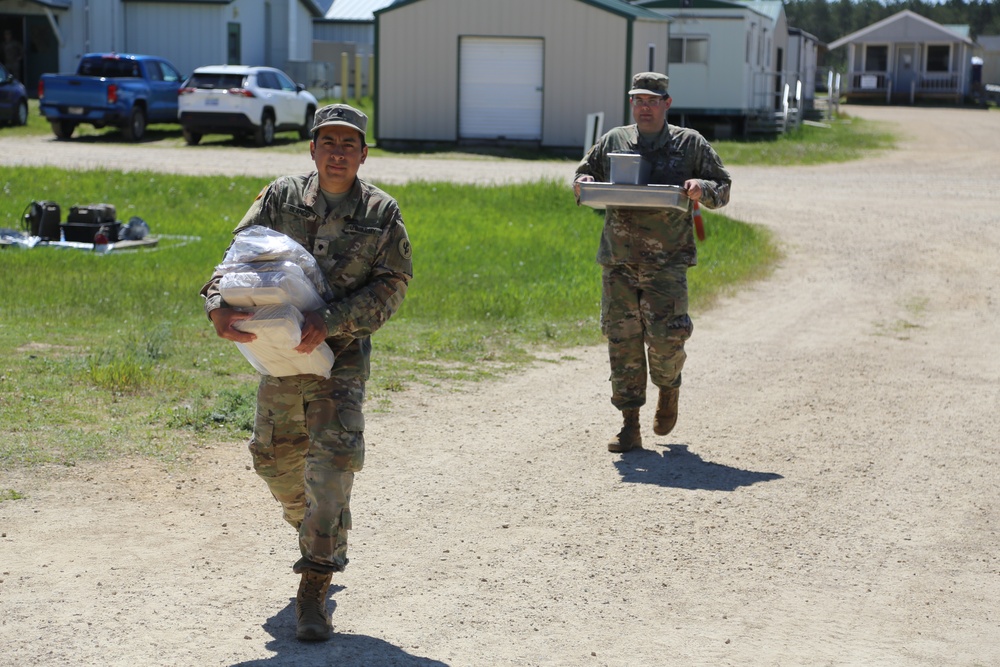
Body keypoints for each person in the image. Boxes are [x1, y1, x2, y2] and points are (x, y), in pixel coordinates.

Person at [200, 104, 413, 641]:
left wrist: (332, 319)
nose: (338, 152)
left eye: (349, 144)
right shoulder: (280, 197)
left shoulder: (381, 212)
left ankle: (314, 583)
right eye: (328, 142)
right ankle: (319, 528)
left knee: (332, 465)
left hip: (338, 355)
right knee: (273, 461)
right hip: (278, 350)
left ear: (364, 154)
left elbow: (392, 286)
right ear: (312, 148)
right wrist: (216, 306)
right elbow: (236, 256)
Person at [573, 72, 731, 453]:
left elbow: (722, 187)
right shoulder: (615, 140)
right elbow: (585, 173)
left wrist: (701, 189)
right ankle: (629, 425)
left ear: (667, 104)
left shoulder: (689, 143)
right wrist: (581, 181)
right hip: (619, 260)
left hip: (668, 261)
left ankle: (669, 388)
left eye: (652, 100)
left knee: (666, 339)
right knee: (622, 341)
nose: (644, 107)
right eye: (638, 100)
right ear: (632, 104)